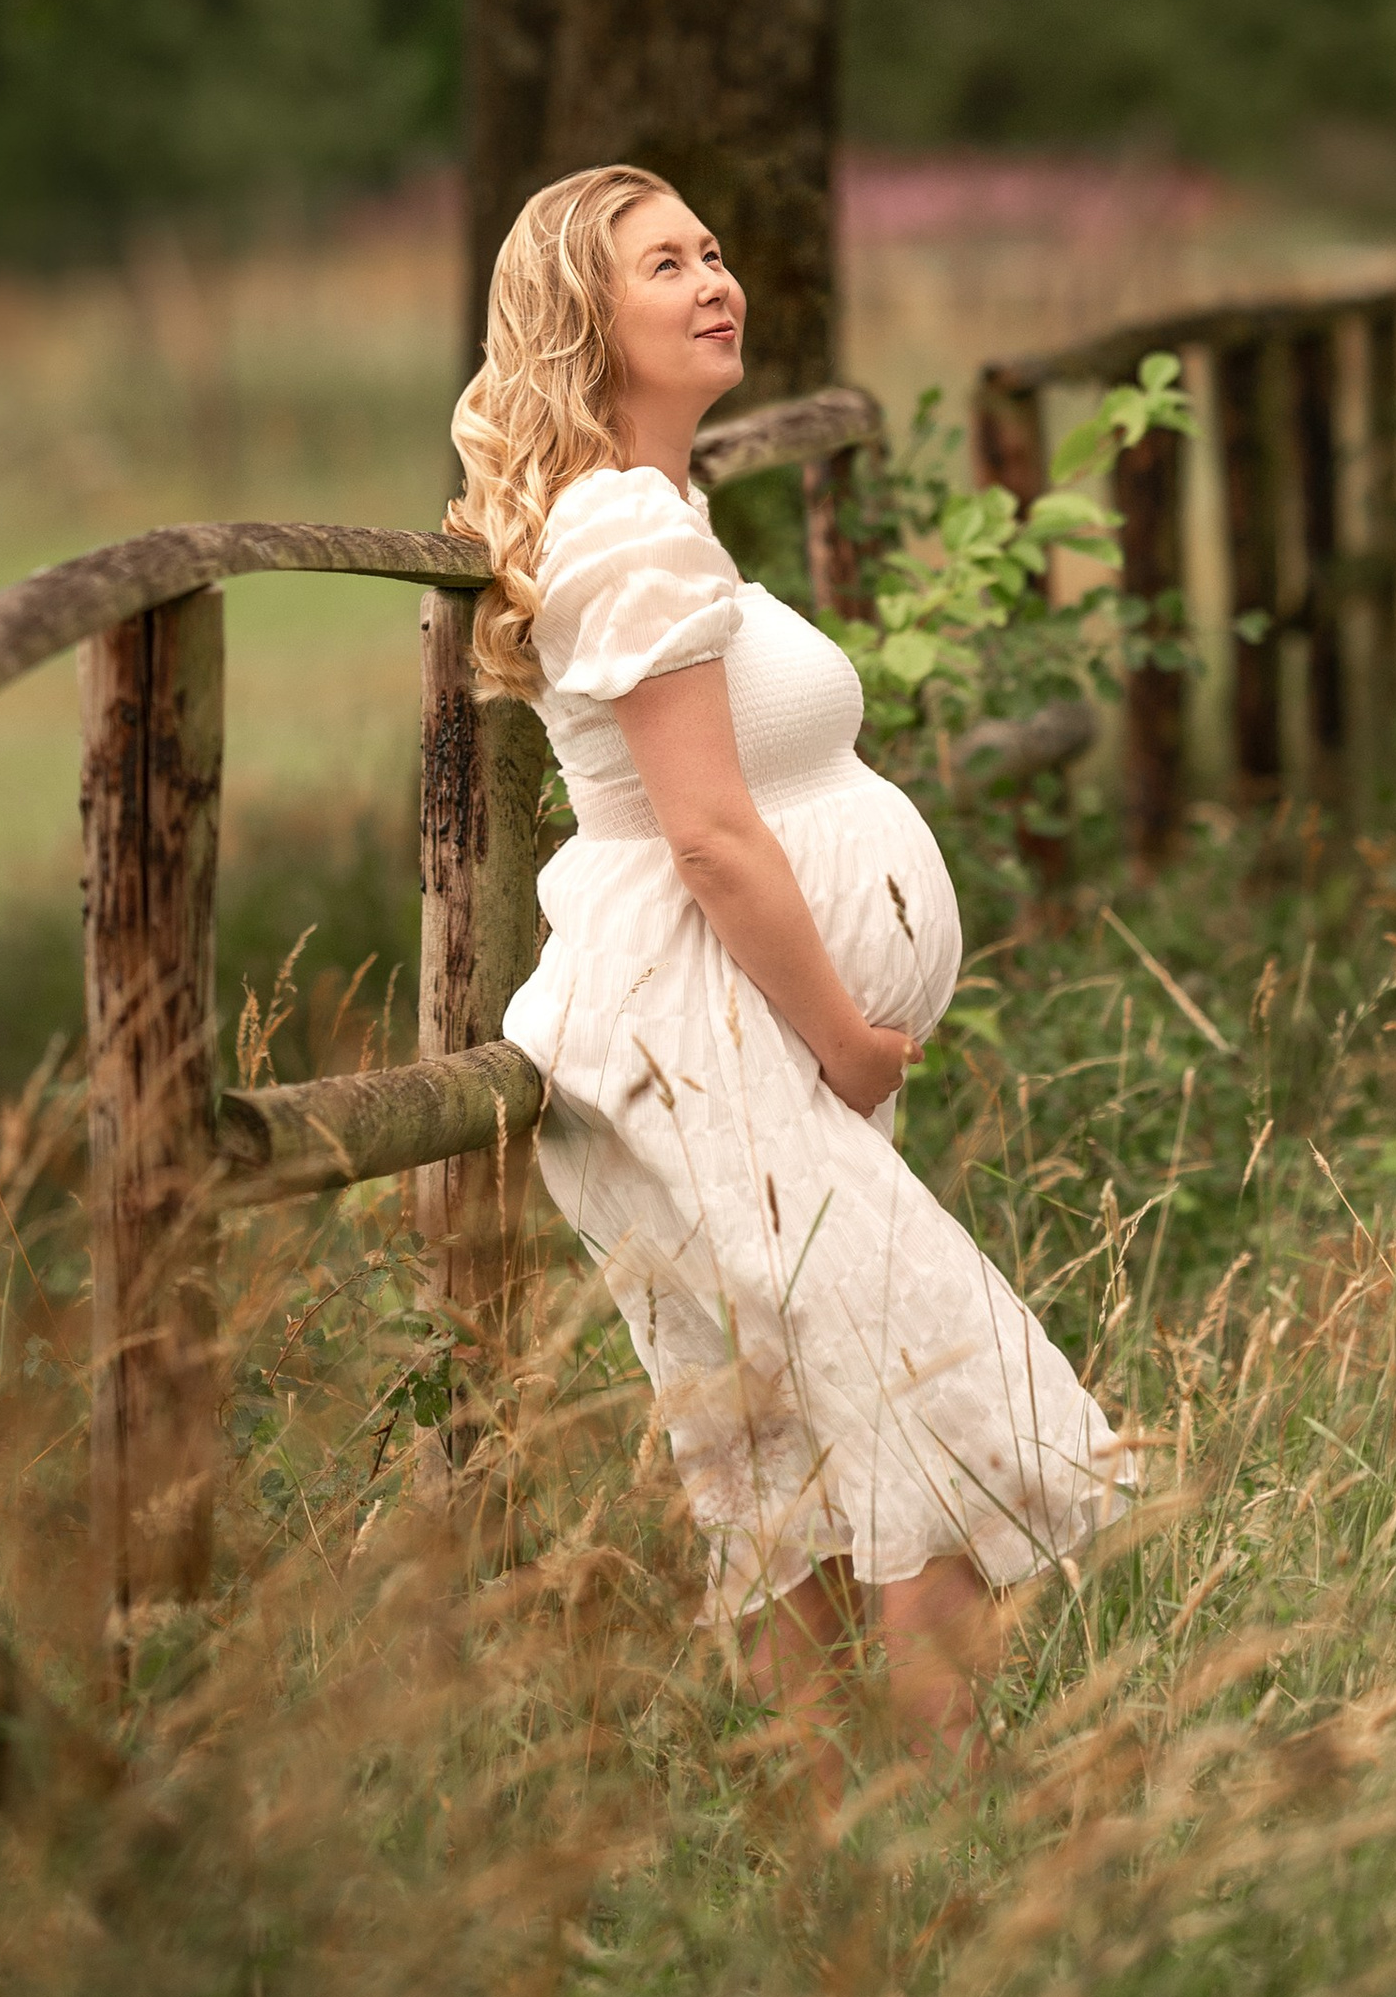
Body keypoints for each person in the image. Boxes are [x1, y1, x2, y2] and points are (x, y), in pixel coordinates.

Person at [449, 163, 1126, 1789]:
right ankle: (941, 1827)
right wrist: (848, 1041)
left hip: (724, 1034)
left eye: (713, 251)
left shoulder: (655, 508)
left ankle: (845, 1846)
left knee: (798, 1445)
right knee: (917, 1404)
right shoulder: (622, 526)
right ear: (582, 319)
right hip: (713, 1034)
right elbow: (708, 838)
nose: (713, 281)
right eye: (663, 265)